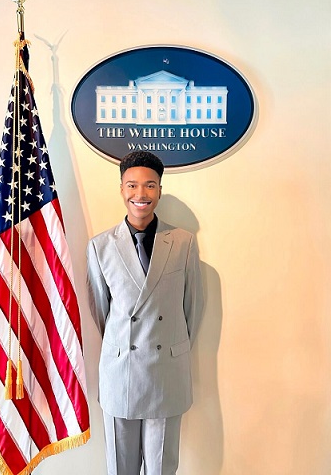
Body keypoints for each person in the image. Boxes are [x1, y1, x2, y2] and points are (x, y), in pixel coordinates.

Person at [86, 151, 204, 475]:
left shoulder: (183, 242)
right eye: (133, 185)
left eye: (150, 186)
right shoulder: (100, 246)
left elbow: (191, 307)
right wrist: (124, 342)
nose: (141, 194)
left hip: (166, 370)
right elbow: (101, 311)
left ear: (160, 190)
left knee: (162, 469)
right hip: (120, 369)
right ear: (122, 189)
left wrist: (169, 346)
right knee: (120, 468)